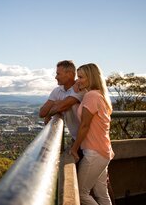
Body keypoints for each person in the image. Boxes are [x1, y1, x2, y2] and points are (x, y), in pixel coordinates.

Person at [70, 63, 114, 205]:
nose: (78, 80)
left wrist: (74, 148)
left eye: (81, 77)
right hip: (103, 152)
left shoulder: (91, 96)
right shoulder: (99, 95)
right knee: (102, 193)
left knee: (81, 194)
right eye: (78, 77)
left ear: (91, 77)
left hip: (94, 152)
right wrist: (76, 90)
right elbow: (82, 115)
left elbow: (84, 125)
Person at [39, 60, 84, 140]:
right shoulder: (57, 91)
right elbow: (42, 113)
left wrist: (50, 113)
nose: (56, 77)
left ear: (70, 74)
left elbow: (61, 107)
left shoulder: (80, 89)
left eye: (58, 74)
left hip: (87, 138)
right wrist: (56, 103)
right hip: (76, 138)